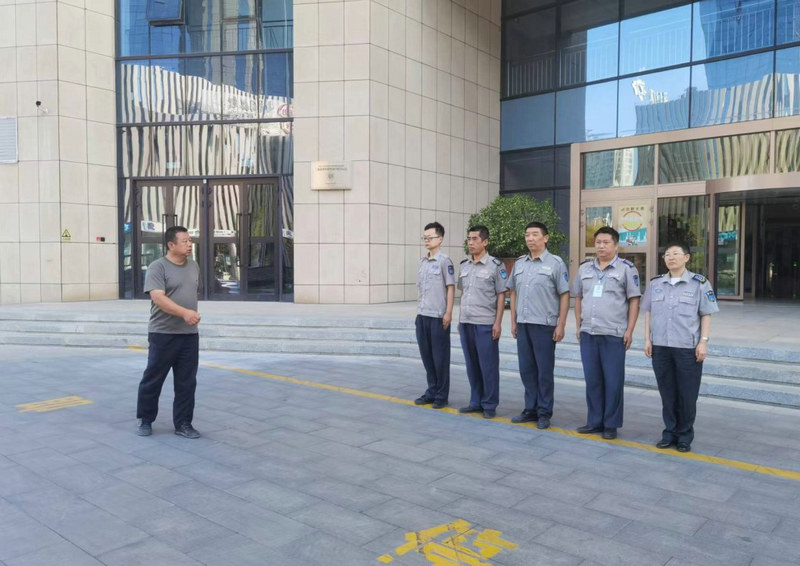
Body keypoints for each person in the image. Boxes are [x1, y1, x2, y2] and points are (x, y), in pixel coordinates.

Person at [642, 243, 719, 453]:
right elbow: (648, 312)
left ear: (686, 257)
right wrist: (647, 339)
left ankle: (684, 435)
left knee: (687, 394)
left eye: (676, 253)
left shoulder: (699, 283)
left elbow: (706, 314)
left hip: (687, 348)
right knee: (667, 393)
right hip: (661, 347)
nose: (670, 257)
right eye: (667, 254)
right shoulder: (655, 283)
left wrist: (703, 341)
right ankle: (669, 432)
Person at [572, 226, 641, 440]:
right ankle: (594, 421)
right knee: (592, 380)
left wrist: (630, 330)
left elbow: (634, 300)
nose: (601, 246)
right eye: (598, 242)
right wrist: (578, 325)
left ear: (616, 245)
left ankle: (611, 424)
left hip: (614, 333)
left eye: (606, 242)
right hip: (589, 332)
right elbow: (578, 298)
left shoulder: (627, 269)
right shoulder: (584, 269)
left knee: (613, 381)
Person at [136, 226, 202, 439]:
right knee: (153, 378)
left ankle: (183, 423)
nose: (189, 244)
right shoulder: (157, 267)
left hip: (189, 334)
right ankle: (145, 419)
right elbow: (158, 298)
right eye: (184, 241)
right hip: (163, 333)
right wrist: (184, 313)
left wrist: (190, 315)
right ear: (171, 245)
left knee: (186, 382)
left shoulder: (194, 266)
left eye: (190, 240)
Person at [506, 222, 569, 430]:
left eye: (534, 234)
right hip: (523, 324)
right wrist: (513, 320)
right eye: (527, 235)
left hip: (544, 325)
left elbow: (564, 294)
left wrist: (561, 324)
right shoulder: (520, 263)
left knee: (544, 372)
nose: (530, 238)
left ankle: (544, 412)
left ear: (545, 238)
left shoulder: (556, 263)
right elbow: (513, 291)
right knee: (526, 369)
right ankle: (530, 409)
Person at [457, 225, 507, 419]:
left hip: (486, 323)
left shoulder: (495, 266)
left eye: (475, 239)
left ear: (485, 242)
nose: (470, 243)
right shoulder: (464, 265)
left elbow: (501, 295)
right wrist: (460, 319)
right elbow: (463, 293)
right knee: (472, 365)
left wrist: (498, 323)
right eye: (469, 239)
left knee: (488, 366)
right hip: (467, 322)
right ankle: (475, 401)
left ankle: (489, 404)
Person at [414, 221, 456, 409]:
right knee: (427, 357)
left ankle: (441, 395)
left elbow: (450, 287)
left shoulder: (444, 261)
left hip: (438, 317)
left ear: (440, 239)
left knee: (440, 359)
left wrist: (448, 312)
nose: (427, 240)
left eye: (430, 237)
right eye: (424, 238)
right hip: (422, 315)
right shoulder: (422, 262)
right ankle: (431, 391)